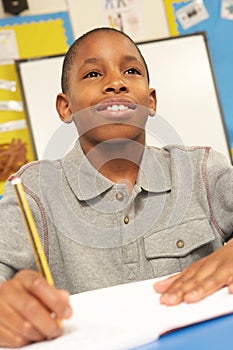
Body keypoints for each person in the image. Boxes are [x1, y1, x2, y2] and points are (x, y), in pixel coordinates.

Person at [0, 27, 232, 347]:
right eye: (94, 73)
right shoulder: (32, 192)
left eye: (131, 71)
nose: (116, 83)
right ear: (65, 107)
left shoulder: (202, 170)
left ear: (150, 101)